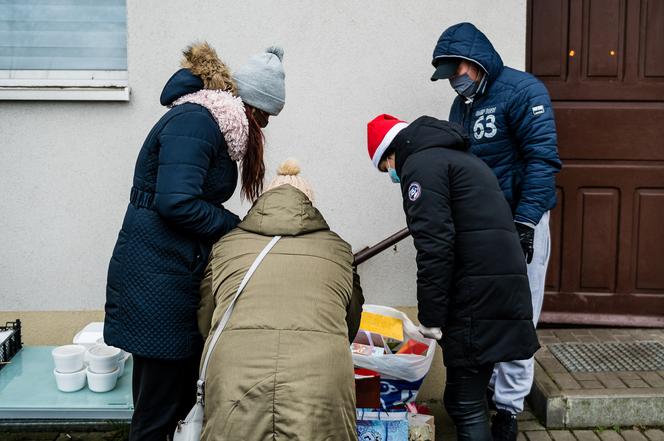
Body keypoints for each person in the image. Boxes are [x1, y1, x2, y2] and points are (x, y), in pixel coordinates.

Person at [103, 42, 285, 441]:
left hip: (171, 279)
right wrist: (235, 227)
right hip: (157, 283)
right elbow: (177, 201)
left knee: (178, 403)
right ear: (250, 106)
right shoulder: (197, 123)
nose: (265, 129)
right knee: (157, 411)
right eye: (267, 117)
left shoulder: (212, 124)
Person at [366, 113, 539, 441]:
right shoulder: (458, 158)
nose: (391, 174)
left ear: (391, 153)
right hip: (498, 286)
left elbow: (434, 246)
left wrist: (430, 318)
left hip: (476, 294)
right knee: (466, 395)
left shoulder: (420, 166)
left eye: (386, 167)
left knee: (464, 402)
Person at [430, 22, 562, 439]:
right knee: (485, 310)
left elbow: (543, 160)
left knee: (518, 314)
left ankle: (508, 409)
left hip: (520, 221)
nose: (454, 82)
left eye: (457, 72)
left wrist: (524, 223)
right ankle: (487, 392)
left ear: (475, 62)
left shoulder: (525, 93)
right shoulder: (462, 107)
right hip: (483, 229)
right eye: (448, 75)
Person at [197, 160, 364, 441]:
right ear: (309, 206)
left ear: (262, 202)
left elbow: (207, 318)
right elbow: (350, 321)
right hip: (318, 377)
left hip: (237, 374)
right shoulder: (338, 249)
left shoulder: (227, 246)